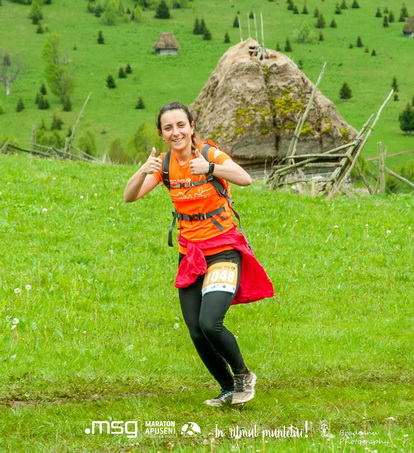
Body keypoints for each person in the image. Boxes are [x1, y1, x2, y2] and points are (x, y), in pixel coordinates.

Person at [124, 102, 274, 406]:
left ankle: (243, 375)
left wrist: (210, 169)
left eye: (181, 125)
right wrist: (143, 170)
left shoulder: (209, 154)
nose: (176, 132)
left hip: (223, 250)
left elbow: (245, 178)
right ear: (161, 134)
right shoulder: (164, 165)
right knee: (195, 331)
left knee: (210, 323)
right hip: (190, 254)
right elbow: (130, 196)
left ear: (192, 127)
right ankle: (228, 388)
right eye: (168, 128)